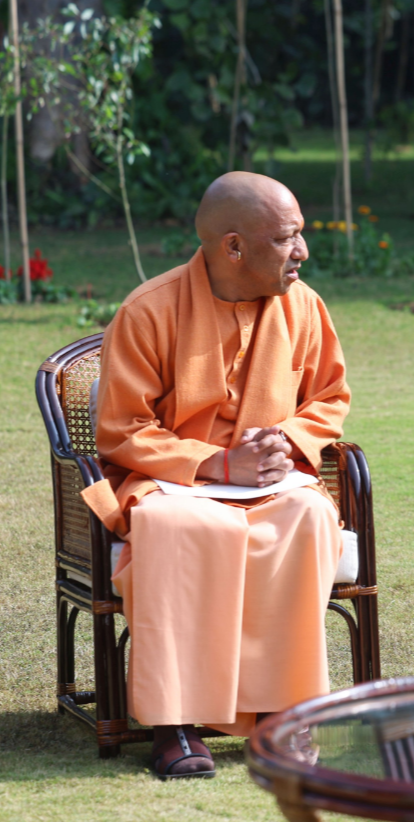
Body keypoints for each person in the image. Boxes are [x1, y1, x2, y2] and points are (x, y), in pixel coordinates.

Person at [81, 172, 351, 779]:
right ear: (233, 248)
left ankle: (286, 714)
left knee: (309, 515)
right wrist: (215, 463)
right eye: (288, 238)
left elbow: (330, 396)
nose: (303, 252)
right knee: (174, 527)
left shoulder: (304, 304)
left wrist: (286, 441)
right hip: (172, 484)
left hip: (272, 486)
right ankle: (173, 725)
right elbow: (122, 430)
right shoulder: (148, 310)